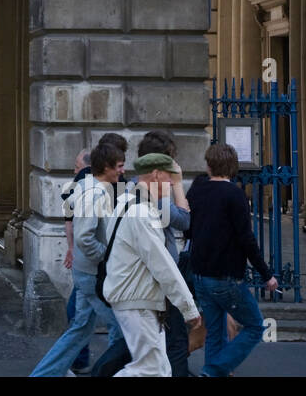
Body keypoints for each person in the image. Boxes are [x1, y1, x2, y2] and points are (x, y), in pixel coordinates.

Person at [91, 130, 192, 377]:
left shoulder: (132, 196)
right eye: (170, 173)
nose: (173, 179)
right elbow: (183, 221)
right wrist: (189, 307)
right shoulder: (145, 201)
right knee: (154, 363)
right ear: (158, 171)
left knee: (156, 364)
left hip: (143, 291)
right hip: (144, 291)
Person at [29, 134, 126, 376]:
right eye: (120, 166)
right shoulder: (95, 193)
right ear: (107, 167)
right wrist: (106, 255)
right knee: (126, 330)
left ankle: (43, 374)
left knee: (80, 329)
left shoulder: (87, 186)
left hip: (85, 271)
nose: (122, 172)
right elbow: (85, 237)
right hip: (92, 273)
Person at [186, 142, 279, 377]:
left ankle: (213, 372)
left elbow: (188, 229)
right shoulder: (234, 194)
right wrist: (266, 274)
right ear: (232, 167)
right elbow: (247, 239)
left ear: (208, 165)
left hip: (199, 273)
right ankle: (214, 369)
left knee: (215, 331)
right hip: (225, 275)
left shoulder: (197, 190)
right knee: (255, 326)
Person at [60, 148, 92, 372]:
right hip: (88, 263)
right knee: (79, 315)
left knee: (77, 315)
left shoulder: (78, 187)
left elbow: (72, 224)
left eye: (77, 166)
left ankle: (75, 361)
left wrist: (72, 248)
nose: (74, 170)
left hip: (90, 265)